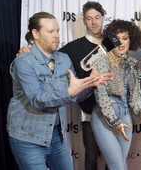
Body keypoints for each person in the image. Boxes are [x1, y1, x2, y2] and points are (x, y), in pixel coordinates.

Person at [7, 12, 103, 170]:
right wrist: (70, 92)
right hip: (28, 138)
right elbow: (38, 99)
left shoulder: (63, 58)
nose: (57, 35)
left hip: (55, 135)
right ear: (35, 34)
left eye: (57, 31)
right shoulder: (23, 62)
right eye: (51, 32)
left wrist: (92, 84)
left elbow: (75, 94)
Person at [91, 19, 141, 170]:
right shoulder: (101, 60)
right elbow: (101, 96)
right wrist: (114, 121)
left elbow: (134, 96)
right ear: (110, 41)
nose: (121, 43)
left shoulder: (132, 63)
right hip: (104, 117)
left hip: (125, 115)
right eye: (117, 39)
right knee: (117, 167)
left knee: (121, 165)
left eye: (125, 38)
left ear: (131, 40)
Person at [59, 1, 107, 170]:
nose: (94, 22)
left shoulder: (113, 43)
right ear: (84, 21)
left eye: (97, 17)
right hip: (88, 112)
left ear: (103, 18)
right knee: (91, 157)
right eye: (89, 18)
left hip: (115, 111)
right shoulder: (71, 48)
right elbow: (48, 58)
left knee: (113, 160)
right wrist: (28, 50)